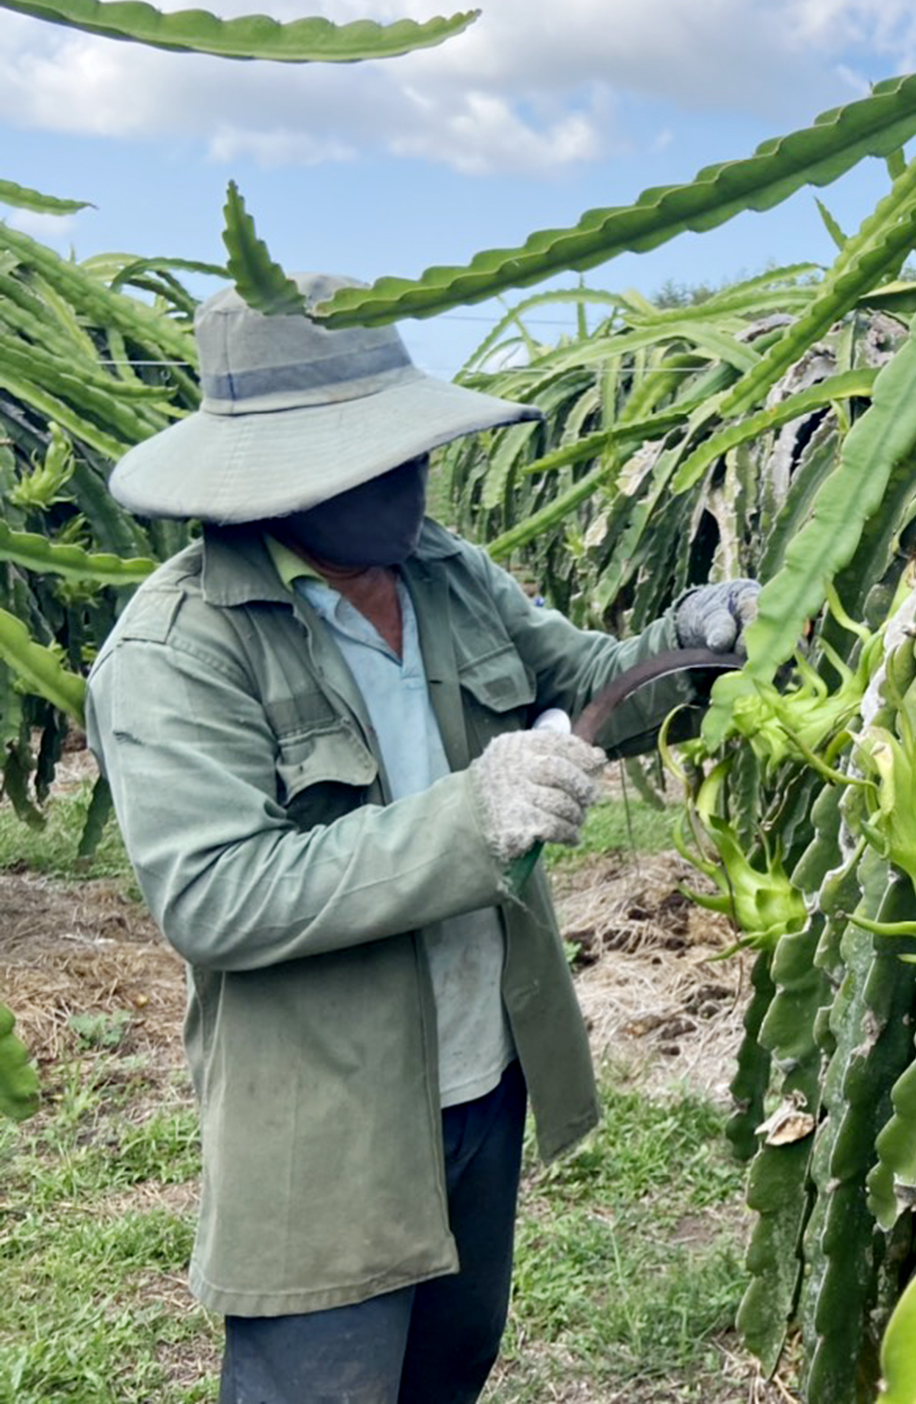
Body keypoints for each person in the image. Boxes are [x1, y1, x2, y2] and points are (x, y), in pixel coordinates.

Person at [84, 275, 759, 1404]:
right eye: (369, 456)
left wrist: (687, 644)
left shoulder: (444, 574)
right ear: (267, 478)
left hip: (481, 1078)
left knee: (449, 1371)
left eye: (409, 448)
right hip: (325, 1117)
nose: (408, 479)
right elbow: (214, 892)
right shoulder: (179, 648)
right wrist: (471, 814)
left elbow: (583, 678)